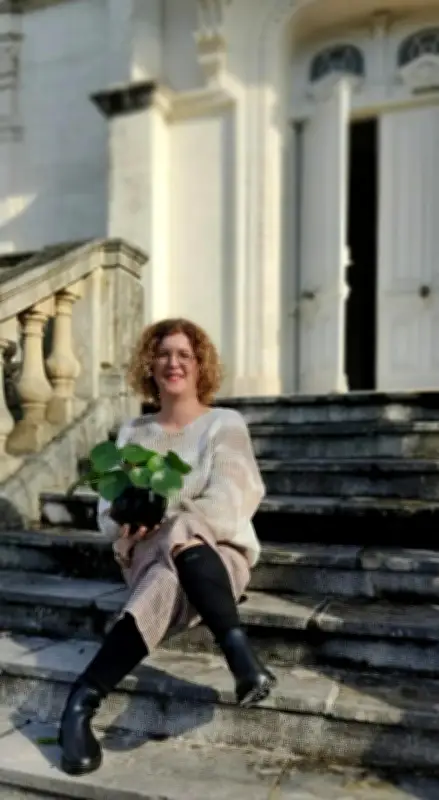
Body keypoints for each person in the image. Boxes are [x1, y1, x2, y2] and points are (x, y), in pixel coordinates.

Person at [58, 318, 276, 776]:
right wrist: (126, 524)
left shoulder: (224, 423)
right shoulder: (131, 432)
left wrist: (177, 524)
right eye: (163, 354)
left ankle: (80, 703)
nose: (173, 362)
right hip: (145, 550)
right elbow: (105, 510)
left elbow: (234, 494)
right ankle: (240, 657)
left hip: (218, 555)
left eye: (184, 354)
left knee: (169, 563)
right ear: (150, 366)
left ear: (200, 366)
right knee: (162, 557)